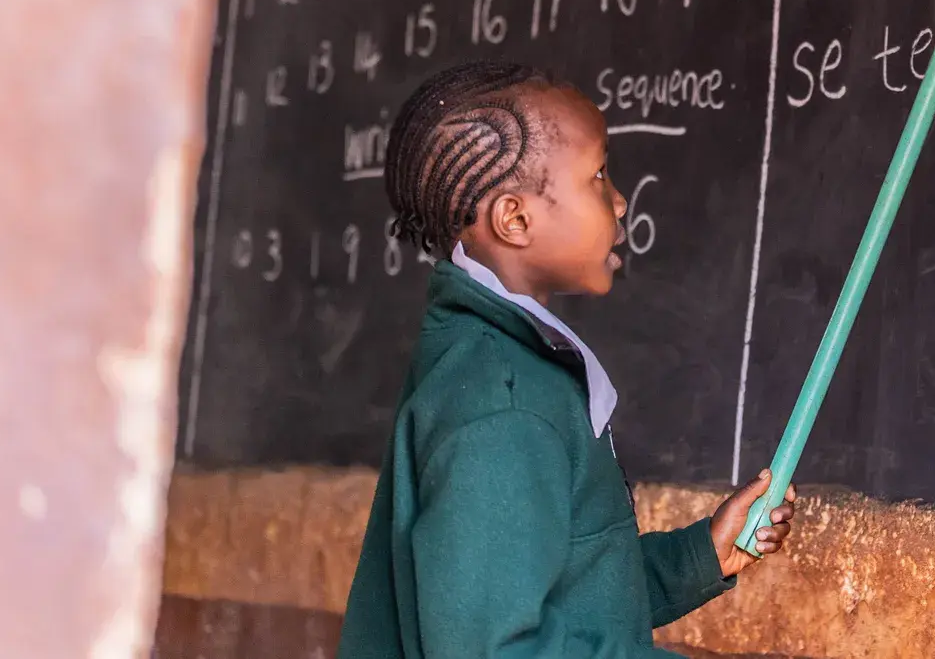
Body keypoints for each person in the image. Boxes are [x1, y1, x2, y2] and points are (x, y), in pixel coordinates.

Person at [336, 61, 797, 658]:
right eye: (598, 176)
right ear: (515, 219)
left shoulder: (507, 362)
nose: (622, 201)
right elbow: (492, 651)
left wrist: (699, 556)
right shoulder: (502, 405)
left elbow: (564, 587)